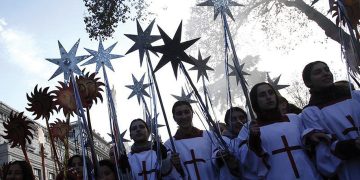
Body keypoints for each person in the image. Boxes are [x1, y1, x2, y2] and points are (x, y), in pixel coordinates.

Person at [242, 82, 321, 179]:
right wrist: (253, 140)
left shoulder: (294, 118)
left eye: (271, 93)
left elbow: (310, 144)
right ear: (255, 101)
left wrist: (310, 136)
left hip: (308, 173)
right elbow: (249, 161)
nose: (268, 97)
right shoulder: (250, 127)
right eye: (262, 95)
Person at [301, 61, 360, 179]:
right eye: (318, 72)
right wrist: (353, 145)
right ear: (308, 82)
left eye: (327, 69)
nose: (326, 73)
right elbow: (325, 148)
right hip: (349, 169)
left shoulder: (355, 96)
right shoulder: (311, 112)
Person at [166, 100, 238, 180]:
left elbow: (217, 158)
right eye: (179, 114)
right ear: (174, 117)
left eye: (186, 112)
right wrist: (174, 165)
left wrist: (220, 155)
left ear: (192, 113)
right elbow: (170, 174)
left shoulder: (209, 136)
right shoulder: (169, 144)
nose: (184, 116)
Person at [219, 107, 247, 179]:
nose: (239, 121)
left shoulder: (254, 136)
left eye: (242, 117)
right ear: (227, 124)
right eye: (233, 119)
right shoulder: (223, 141)